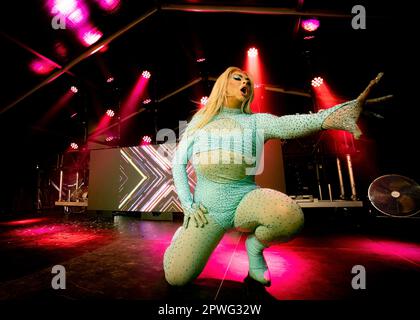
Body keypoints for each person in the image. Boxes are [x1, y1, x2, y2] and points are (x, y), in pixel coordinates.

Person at [163, 66, 383, 287]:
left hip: (244, 200)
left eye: (248, 81)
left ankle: (254, 249)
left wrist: (335, 115)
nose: (245, 83)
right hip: (207, 211)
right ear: (222, 85)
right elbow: (179, 162)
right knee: (176, 278)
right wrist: (188, 204)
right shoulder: (201, 120)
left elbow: (287, 125)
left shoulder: (257, 121)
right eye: (238, 78)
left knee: (290, 217)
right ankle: (181, 238)